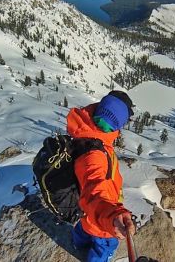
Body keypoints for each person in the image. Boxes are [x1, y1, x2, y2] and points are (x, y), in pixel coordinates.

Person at [66, 90, 136, 261]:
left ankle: (78, 244)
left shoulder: (88, 134)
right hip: (103, 220)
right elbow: (95, 194)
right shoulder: (94, 154)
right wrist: (112, 218)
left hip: (88, 214)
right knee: (103, 248)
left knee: (84, 228)